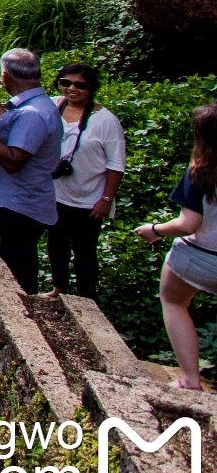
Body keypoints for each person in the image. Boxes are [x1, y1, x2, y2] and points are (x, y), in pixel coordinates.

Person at [0, 48, 62, 293]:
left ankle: (23, 316)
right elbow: (7, 121)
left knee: (16, 270)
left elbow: (13, 162)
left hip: (19, 206)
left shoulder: (32, 115)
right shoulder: (33, 106)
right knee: (17, 263)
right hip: (15, 202)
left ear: (6, 78)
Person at [135, 103, 217, 390]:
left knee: (173, 301)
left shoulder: (202, 170)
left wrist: (154, 230)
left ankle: (190, 379)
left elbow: (188, 224)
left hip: (200, 258)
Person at [46, 61, 124, 298]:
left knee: (84, 250)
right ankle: (59, 287)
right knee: (56, 243)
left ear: (91, 88)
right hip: (56, 193)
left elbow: (116, 165)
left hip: (89, 200)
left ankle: (85, 298)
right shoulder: (52, 106)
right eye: (65, 83)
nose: (72, 89)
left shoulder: (106, 121)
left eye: (80, 85)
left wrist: (106, 199)